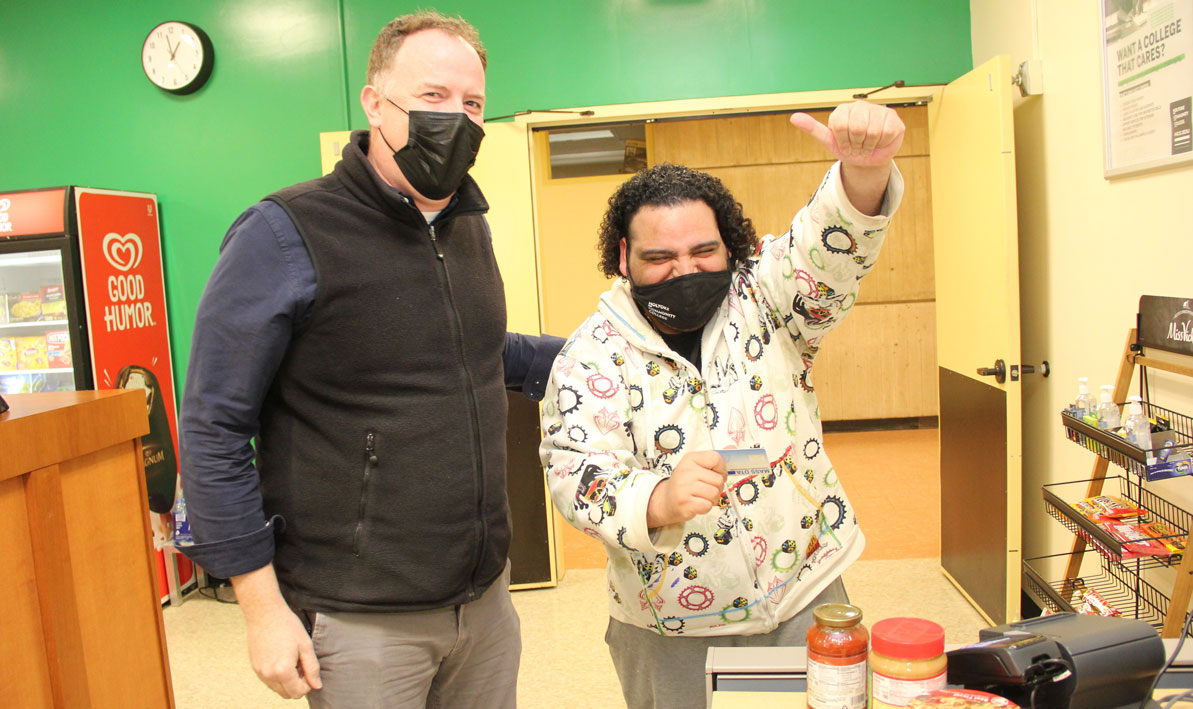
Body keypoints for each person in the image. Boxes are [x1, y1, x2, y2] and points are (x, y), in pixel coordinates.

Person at [179, 11, 562, 708]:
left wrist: (608, 352)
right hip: (359, 618)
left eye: (472, 103)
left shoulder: (467, 223)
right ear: (374, 101)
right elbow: (213, 425)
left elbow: (470, 353)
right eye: (433, 96)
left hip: (482, 602)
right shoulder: (283, 231)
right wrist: (261, 604)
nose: (457, 118)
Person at [538, 101, 905, 708]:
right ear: (625, 259)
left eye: (704, 252)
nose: (686, 269)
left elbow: (825, 251)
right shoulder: (590, 355)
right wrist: (655, 500)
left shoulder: (766, 297)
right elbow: (575, 473)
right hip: (671, 624)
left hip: (804, 592)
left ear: (729, 247)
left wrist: (863, 175)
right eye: (659, 258)